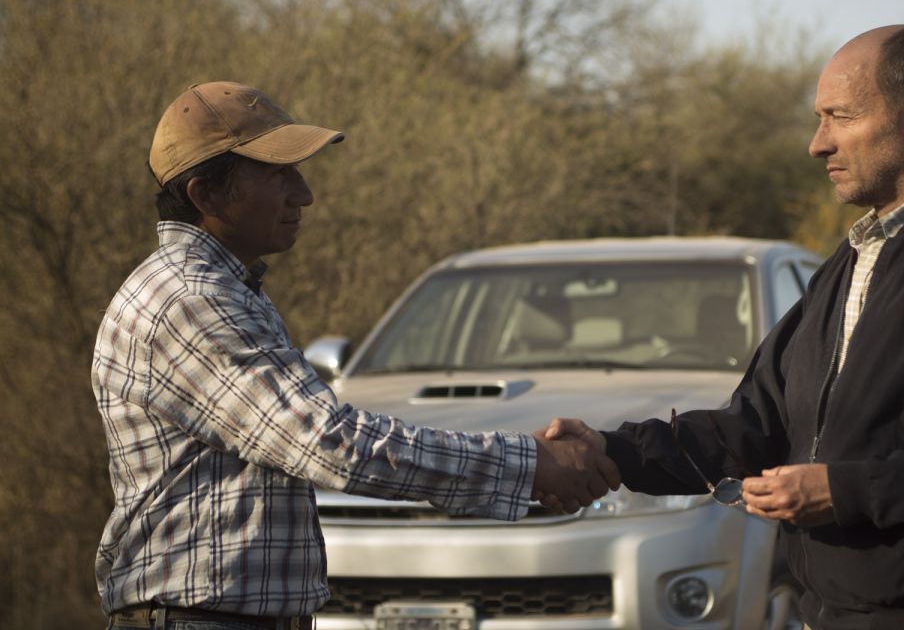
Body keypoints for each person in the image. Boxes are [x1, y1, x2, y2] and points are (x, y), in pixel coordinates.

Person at [547, 25, 904, 630]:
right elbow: (750, 428)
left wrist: (845, 492)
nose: (817, 143)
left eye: (839, 117)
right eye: (818, 119)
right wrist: (609, 449)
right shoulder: (844, 268)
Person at [93, 81, 619, 630]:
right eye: (278, 174)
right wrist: (530, 464)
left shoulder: (222, 289)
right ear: (205, 195)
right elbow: (330, 442)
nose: (304, 194)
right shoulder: (193, 301)